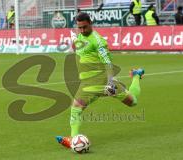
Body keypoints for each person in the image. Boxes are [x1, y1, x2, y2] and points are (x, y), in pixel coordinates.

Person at [56, 12, 145, 148]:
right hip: (87, 84)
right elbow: (79, 49)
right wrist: (74, 40)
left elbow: (107, 62)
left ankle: (136, 76)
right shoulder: (79, 35)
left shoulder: (98, 41)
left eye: (85, 27)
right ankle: (73, 139)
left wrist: (110, 82)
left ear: (90, 24)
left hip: (103, 82)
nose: (82, 30)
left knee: (132, 102)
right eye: (79, 28)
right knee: (76, 108)